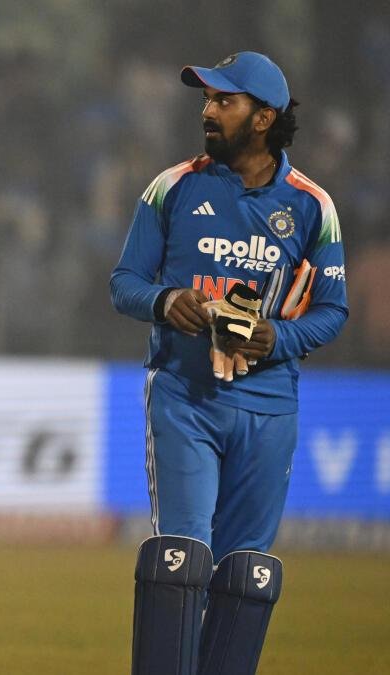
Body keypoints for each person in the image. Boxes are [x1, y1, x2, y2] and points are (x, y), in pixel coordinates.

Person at [110, 52, 347, 674]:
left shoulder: (312, 206)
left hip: (269, 408)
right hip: (185, 397)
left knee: (246, 574)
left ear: (264, 117)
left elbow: (333, 311)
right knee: (181, 559)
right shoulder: (172, 187)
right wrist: (166, 301)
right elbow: (125, 282)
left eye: (224, 101)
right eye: (207, 100)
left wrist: (276, 338)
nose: (208, 111)